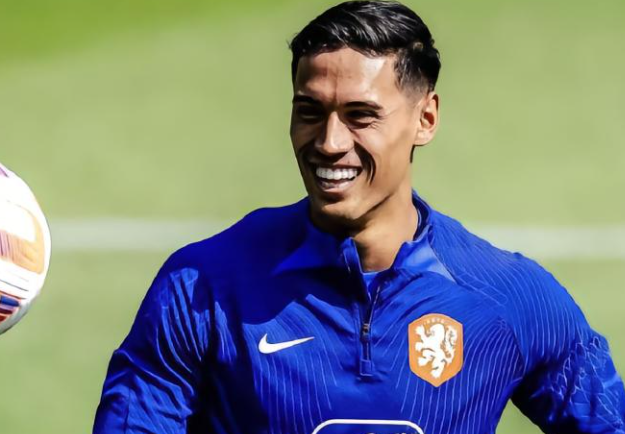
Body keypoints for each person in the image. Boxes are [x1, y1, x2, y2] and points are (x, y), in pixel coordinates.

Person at [93, 1, 625, 433]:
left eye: (360, 115)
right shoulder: (204, 286)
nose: (329, 142)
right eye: (309, 111)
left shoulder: (508, 297)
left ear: (426, 118)